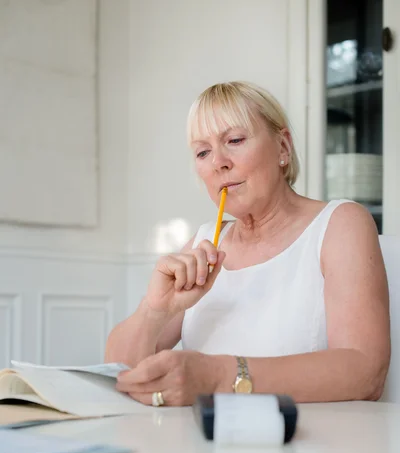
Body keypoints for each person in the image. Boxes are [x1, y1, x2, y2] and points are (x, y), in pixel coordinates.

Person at [106, 81, 390, 406]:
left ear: (283, 148)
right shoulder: (202, 244)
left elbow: (365, 373)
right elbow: (119, 370)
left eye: (235, 140)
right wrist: (154, 310)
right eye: (203, 152)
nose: (218, 163)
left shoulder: (341, 224)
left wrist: (217, 377)